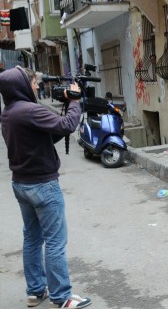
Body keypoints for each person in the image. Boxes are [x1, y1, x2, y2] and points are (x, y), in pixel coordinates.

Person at [0, 66, 92, 308]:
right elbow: (67, 126)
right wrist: (74, 101)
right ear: (21, 85)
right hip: (43, 186)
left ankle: (36, 291)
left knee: (32, 239)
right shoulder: (29, 110)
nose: (37, 86)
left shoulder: (10, 112)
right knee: (54, 242)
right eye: (33, 82)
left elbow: (46, 135)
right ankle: (62, 297)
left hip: (21, 185)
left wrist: (63, 114)